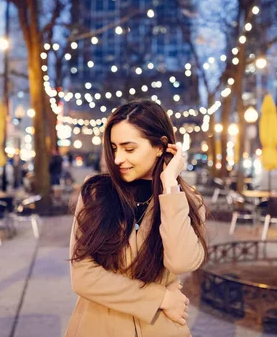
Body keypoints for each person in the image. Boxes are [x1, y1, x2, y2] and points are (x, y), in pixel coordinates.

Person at [66, 100, 208, 337]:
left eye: (129, 149)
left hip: (160, 328)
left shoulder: (187, 200)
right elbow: (82, 277)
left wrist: (170, 186)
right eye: (113, 148)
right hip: (98, 326)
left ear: (161, 147)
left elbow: (181, 263)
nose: (119, 158)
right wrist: (160, 297)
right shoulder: (96, 195)